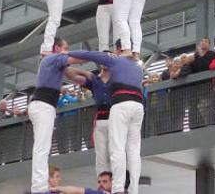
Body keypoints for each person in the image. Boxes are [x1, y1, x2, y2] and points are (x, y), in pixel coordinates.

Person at [63, 48, 144, 194]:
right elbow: (71, 74)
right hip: (107, 116)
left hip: (118, 112)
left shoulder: (117, 69)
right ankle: (107, 188)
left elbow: (88, 54)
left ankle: (117, 187)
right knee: (107, 156)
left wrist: (65, 55)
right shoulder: (96, 78)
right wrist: (85, 72)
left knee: (119, 151)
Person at [28, 37, 89, 194]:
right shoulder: (52, 58)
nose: (67, 51)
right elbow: (77, 59)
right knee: (42, 147)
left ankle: (39, 186)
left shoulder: (55, 62)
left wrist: (91, 78)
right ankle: (39, 188)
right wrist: (99, 56)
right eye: (66, 48)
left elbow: (74, 76)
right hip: (43, 105)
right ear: (56, 48)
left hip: (42, 104)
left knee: (43, 146)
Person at [70, 66, 112, 175]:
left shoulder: (117, 78)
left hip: (115, 119)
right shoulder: (95, 80)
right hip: (100, 120)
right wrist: (85, 72)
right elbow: (72, 75)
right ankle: (102, 184)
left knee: (115, 154)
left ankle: (118, 184)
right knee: (100, 156)